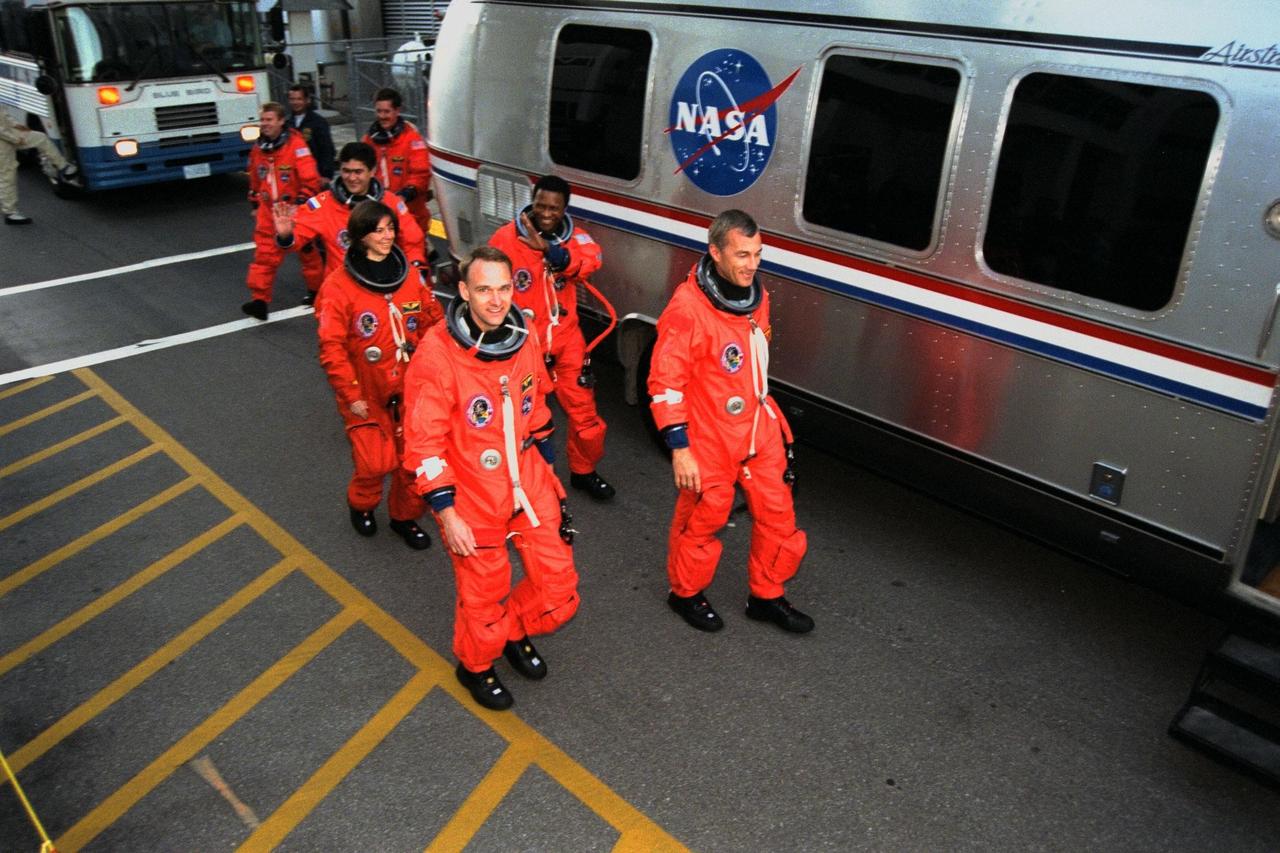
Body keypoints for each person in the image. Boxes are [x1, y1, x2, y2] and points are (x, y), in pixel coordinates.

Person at [403, 246, 580, 711]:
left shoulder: (524, 337)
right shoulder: (437, 356)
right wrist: (446, 512)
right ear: (463, 291)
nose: (497, 300)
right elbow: (423, 445)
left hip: (527, 477)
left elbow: (537, 406)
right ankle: (475, 665)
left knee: (558, 586)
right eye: (484, 289)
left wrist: (551, 476)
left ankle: (513, 631)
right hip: (472, 492)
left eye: (504, 288)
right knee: (485, 594)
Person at [649, 209, 814, 634]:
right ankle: (684, 593)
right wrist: (680, 449)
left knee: (779, 519)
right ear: (715, 252)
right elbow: (665, 384)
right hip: (709, 438)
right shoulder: (687, 310)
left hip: (759, 429)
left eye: (758, 254)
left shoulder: (756, 296)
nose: (752, 265)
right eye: (742, 255)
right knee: (704, 518)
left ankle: (767, 595)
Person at [315, 200, 443, 549]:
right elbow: (332, 348)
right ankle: (362, 505)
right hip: (366, 392)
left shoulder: (409, 277)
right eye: (378, 230)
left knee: (413, 463)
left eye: (390, 229)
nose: (387, 236)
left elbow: (433, 321)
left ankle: (404, 517)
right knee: (375, 462)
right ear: (359, 236)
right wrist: (351, 395)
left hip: (410, 388)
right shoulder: (338, 287)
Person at [488, 175, 616, 501]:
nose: (546, 213)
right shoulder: (506, 239)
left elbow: (593, 259)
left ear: (564, 210)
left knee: (586, 417)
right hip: (525, 344)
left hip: (566, 339)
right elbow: (483, 277)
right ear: (532, 202)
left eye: (554, 208)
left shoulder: (575, 239)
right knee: (528, 421)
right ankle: (534, 483)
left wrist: (554, 254)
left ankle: (583, 472)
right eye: (541, 205)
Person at [272, 141, 429, 303]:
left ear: (372, 171)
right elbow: (298, 239)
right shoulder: (323, 204)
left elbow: (413, 241)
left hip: (384, 290)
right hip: (341, 295)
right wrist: (286, 235)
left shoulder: (390, 203)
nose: (351, 178)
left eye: (358, 172)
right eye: (346, 171)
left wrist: (415, 269)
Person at [241, 101, 322, 320]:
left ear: (281, 121)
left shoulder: (296, 146)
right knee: (264, 257)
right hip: (269, 212)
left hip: (295, 209)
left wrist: (301, 202)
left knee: (308, 255)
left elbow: (310, 179)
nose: (264, 124)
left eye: (269, 120)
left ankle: (317, 292)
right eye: (263, 120)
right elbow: (255, 179)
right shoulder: (259, 149)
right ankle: (260, 301)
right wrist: (255, 204)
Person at [363, 87, 432, 237]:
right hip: (379, 213)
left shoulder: (412, 139)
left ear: (397, 111)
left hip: (409, 212)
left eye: (387, 112)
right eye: (379, 111)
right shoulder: (370, 139)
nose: (382, 116)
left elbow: (421, 173)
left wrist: (405, 194)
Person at [0, 111, 81, 225]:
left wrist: (17, 125)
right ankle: (10, 213)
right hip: (4, 141)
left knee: (40, 138)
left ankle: (63, 167)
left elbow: (3, 114)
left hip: (10, 133)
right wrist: (15, 138)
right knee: (7, 176)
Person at [287, 85, 335, 180]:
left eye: (299, 99)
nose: (295, 102)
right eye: (292, 99)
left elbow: (327, 150)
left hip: (314, 175)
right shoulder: (286, 123)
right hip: (293, 177)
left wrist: (325, 175)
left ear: (307, 100)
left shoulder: (318, 122)